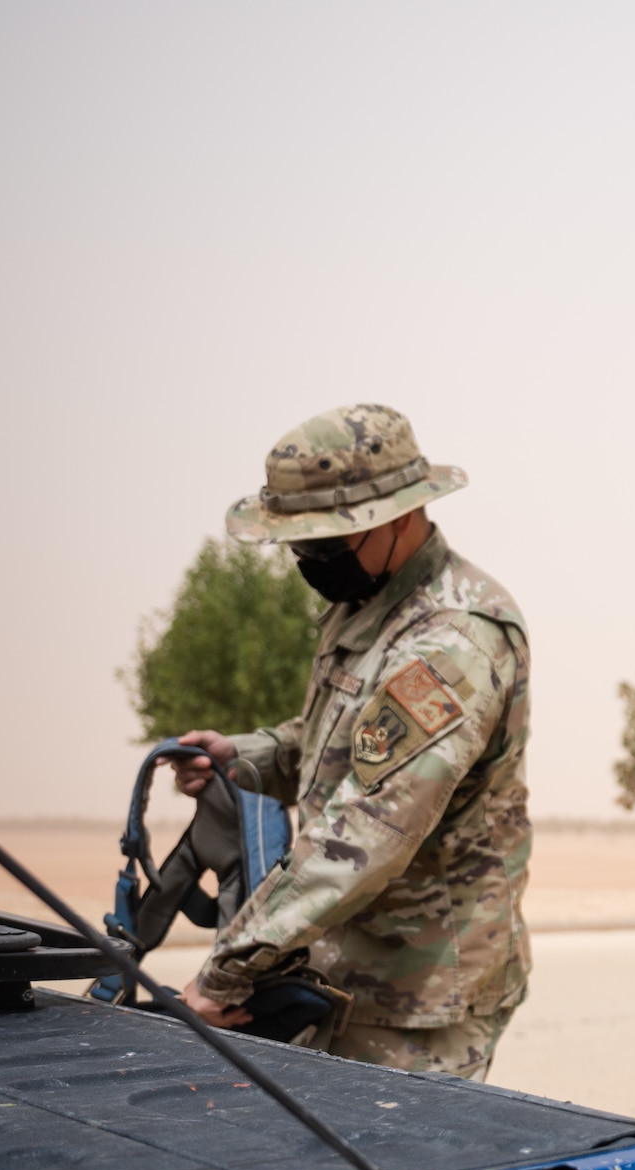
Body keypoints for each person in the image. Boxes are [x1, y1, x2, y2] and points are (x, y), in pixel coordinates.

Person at [168, 404, 533, 1081]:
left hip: (420, 998)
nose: (309, 559)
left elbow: (367, 828)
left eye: (324, 543)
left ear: (394, 516)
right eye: (298, 544)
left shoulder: (452, 639)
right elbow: (342, 743)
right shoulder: (368, 604)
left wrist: (231, 966)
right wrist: (243, 758)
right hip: (348, 973)